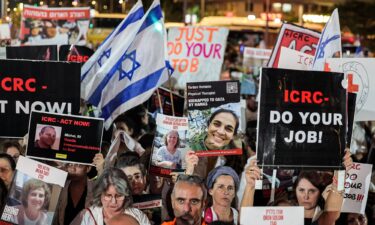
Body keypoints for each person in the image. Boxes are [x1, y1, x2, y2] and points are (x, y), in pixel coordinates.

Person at [70, 167, 150, 225]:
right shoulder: (86, 216)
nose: (113, 201)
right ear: (99, 194)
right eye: (108, 195)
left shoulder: (138, 216)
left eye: (119, 196)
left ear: (126, 195)